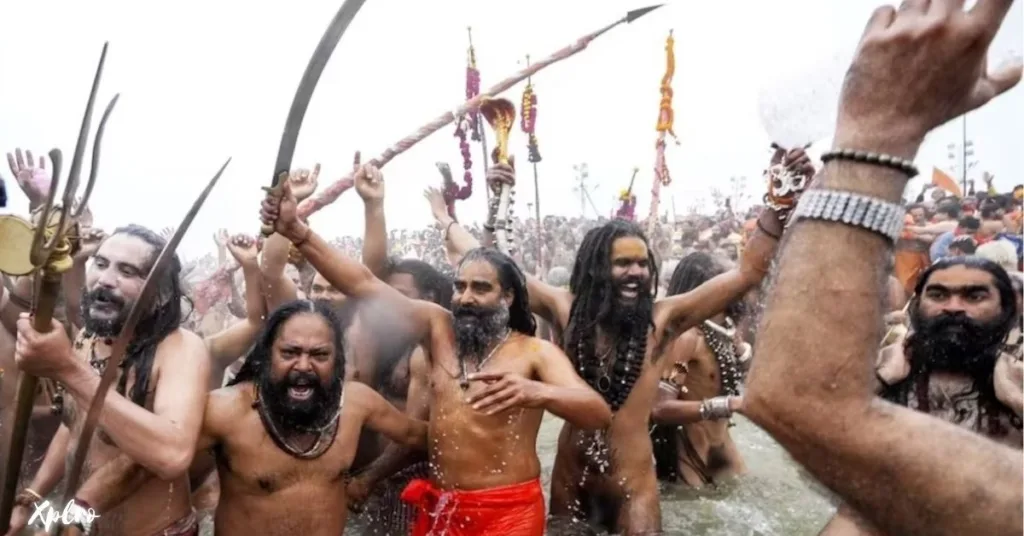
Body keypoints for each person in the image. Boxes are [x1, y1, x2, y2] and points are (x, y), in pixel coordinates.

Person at [742, 2, 1024, 536]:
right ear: (917, 307)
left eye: (974, 296)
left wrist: (877, 131)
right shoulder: (890, 368)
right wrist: (873, 381)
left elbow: (796, 401)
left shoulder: (1017, 379)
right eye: (939, 295)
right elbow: (804, 433)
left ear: (1008, 308)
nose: (954, 308)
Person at [435, 152, 796, 533]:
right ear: (596, 269)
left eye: (642, 264)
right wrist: (488, 204)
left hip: (633, 487)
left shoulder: (664, 320)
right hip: (571, 481)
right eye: (623, 263)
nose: (636, 272)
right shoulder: (565, 310)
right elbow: (492, 265)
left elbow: (746, 273)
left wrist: (779, 201)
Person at [259, 174, 612, 536]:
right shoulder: (436, 328)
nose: (465, 297)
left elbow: (597, 412)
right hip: (444, 505)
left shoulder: (535, 352)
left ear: (507, 298)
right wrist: (297, 232)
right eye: (460, 287)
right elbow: (364, 284)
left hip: (509, 511)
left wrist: (535, 392)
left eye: (480, 288)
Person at [8, 225, 210, 536]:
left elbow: (172, 454)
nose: (105, 279)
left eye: (127, 271)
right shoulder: (88, 339)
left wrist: (67, 368)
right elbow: (72, 426)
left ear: (162, 293)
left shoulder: (181, 349)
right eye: (100, 264)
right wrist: (32, 497)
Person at [650, 252, 749, 487]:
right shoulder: (687, 339)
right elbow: (660, 407)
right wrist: (727, 405)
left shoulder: (727, 331)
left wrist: (743, 353)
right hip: (691, 457)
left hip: (725, 448)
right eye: (724, 280)